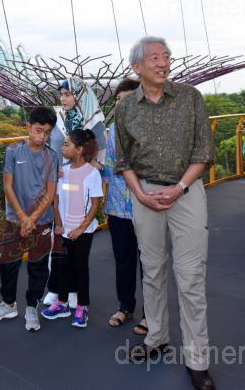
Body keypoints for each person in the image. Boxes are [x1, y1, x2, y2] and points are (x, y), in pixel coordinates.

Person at [114, 36, 216, 390]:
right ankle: (156, 337)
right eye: (154, 58)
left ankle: (197, 360)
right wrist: (140, 194)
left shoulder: (190, 98)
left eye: (166, 57)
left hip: (186, 192)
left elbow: (204, 151)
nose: (163, 63)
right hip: (145, 194)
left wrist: (180, 187)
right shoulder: (125, 108)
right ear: (137, 67)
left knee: (190, 276)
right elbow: (123, 160)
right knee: (153, 270)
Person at [0, 107, 59, 331]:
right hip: (14, 218)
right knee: (7, 262)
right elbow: (7, 185)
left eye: (47, 132)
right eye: (38, 130)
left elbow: (50, 192)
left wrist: (32, 219)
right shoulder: (13, 151)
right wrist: (23, 217)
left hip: (41, 220)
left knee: (38, 265)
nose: (42, 136)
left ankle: (32, 307)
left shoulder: (52, 156)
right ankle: (8, 304)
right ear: (28, 127)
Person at [43, 78, 106, 308]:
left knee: (76, 246)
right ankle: (56, 288)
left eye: (68, 94)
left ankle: (73, 291)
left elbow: (101, 155)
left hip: (81, 188)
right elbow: (48, 147)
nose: (63, 99)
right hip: (59, 185)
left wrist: (84, 170)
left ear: (80, 96)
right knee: (57, 241)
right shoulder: (58, 118)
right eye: (62, 94)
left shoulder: (94, 120)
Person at [40, 129, 103, 328]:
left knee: (80, 267)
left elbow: (95, 205)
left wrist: (80, 229)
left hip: (83, 231)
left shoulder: (92, 174)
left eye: (67, 144)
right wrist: (58, 224)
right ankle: (63, 303)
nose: (62, 147)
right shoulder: (63, 172)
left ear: (79, 149)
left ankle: (82, 307)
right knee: (61, 266)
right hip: (63, 230)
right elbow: (56, 200)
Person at [102, 78, 148, 336]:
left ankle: (151, 313)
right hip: (118, 206)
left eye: (127, 99)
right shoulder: (111, 131)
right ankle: (125, 306)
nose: (121, 104)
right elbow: (108, 168)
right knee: (123, 260)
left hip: (146, 204)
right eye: (118, 100)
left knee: (149, 262)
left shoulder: (151, 128)